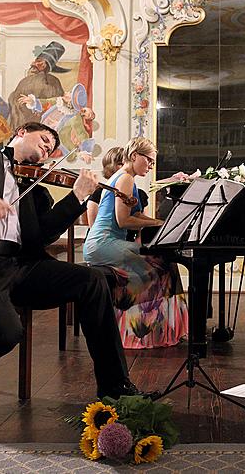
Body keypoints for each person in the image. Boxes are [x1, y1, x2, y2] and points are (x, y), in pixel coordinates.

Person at [0, 122, 143, 416]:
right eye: (44, 139)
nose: (47, 149)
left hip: (17, 265)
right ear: (21, 132)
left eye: (51, 149)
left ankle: (115, 387)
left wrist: (76, 198)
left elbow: (40, 237)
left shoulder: (34, 189)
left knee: (92, 279)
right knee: (6, 331)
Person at [83, 137, 189, 349]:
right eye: (149, 160)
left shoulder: (123, 177)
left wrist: (161, 222)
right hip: (104, 243)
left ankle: (150, 331)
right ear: (134, 156)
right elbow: (123, 221)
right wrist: (159, 224)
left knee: (164, 263)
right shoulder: (125, 179)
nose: (151, 166)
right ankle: (139, 332)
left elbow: (136, 214)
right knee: (161, 264)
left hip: (105, 243)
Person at [8, 41, 68, 130]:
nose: (32, 64)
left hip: (44, 124)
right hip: (23, 124)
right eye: (36, 60)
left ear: (45, 65)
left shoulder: (53, 82)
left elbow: (58, 104)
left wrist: (36, 104)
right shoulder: (25, 81)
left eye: (39, 61)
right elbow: (15, 101)